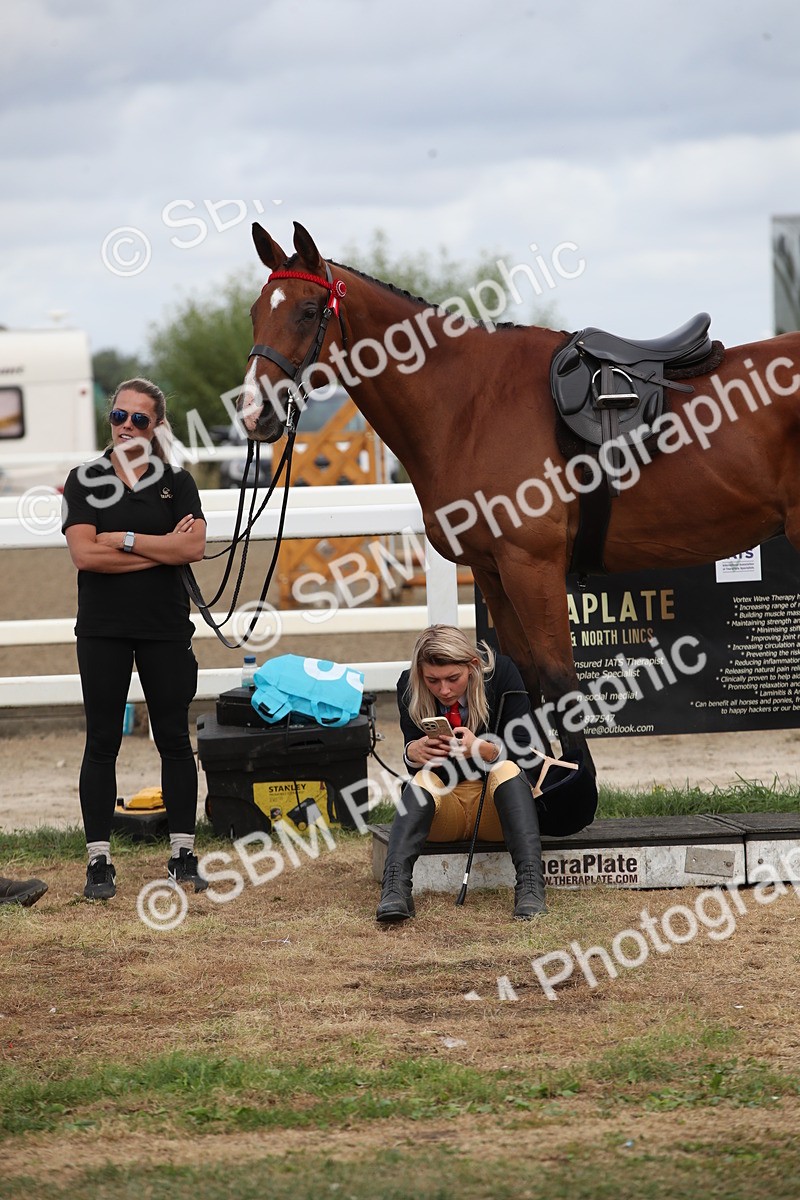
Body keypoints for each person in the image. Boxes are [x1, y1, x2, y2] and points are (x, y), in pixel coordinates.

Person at [62, 379, 208, 900]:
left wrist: (123, 540)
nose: (127, 426)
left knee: (173, 738)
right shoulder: (84, 480)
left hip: (165, 628)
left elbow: (194, 547)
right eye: (119, 417)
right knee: (101, 742)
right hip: (102, 628)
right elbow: (84, 555)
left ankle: (183, 855)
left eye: (139, 419)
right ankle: (99, 861)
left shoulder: (177, 481)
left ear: (157, 426)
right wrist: (161, 547)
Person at [377, 625, 593, 924]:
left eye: (453, 678)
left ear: (473, 666)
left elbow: (522, 749)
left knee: (506, 767)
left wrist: (484, 749)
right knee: (420, 780)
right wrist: (412, 752)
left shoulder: (502, 673)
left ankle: (530, 887)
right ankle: (394, 889)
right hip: (444, 811)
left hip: (497, 810)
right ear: (420, 674)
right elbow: (420, 763)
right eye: (433, 681)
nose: (444, 690)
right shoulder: (409, 684)